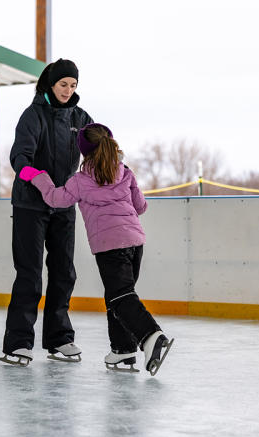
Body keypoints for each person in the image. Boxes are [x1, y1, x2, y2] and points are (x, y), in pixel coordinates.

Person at [18, 123, 174, 376]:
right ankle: (123, 350)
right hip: (135, 242)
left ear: (84, 152)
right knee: (119, 295)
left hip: (109, 245)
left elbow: (55, 199)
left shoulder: (80, 180)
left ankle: (150, 335)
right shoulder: (125, 172)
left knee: (120, 296)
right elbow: (141, 207)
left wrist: (38, 177)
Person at [0, 59, 94, 367]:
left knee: (64, 271)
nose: (68, 90)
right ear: (50, 85)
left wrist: (115, 170)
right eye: (63, 84)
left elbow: (99, 151)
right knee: (29, 274)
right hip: (30, 204)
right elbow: (19, 156)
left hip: (64, 203)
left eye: (73, 85)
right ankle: (18, 343)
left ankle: (59, 338)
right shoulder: (33, 116)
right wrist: (37, 178)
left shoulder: (80, 118)